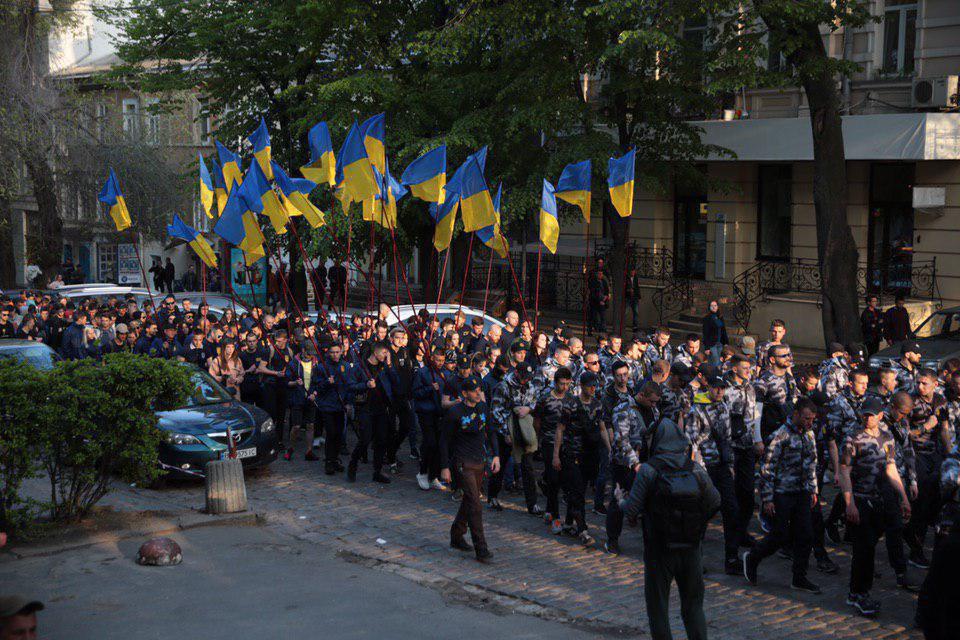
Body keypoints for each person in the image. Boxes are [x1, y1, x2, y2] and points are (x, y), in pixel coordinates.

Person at [618, 418, 720, 640]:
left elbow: (631, 510)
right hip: (691, 547)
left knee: (658, 608)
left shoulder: (648, 470)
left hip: (659, 549)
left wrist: (620, 500)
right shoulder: (694, 468)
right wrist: (697, 523)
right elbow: (715, 501)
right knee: (693, 606)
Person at [838, 396, 911, 618]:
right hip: (860, 500)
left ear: (880, 416)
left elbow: (891, 469)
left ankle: (855, 592)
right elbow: (844, 472)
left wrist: (903, 496)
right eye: (865, 414)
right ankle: (860, 593)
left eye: (871, 415)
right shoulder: (853, 438)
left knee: (869, 547)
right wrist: (849, 504)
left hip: (880, 500)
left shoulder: (887, 438)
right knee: (864, 550)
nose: (867, 418)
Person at [743, 397, 821, 594]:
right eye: (806, 418)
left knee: (806, 535)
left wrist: (813, 489)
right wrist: (767, 498)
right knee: (780, 535)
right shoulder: (780, 435)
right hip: (782, 493)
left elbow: (812, 463)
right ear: (795, 414)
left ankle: (799, 577)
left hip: (802, 491)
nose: (809, 422)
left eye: (812, 419)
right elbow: (767, 468)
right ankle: (753, 557)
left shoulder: (809, 434)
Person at [440, 375, 499, 564]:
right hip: (462, 463)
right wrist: (444, 467)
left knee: (469, 500)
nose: (478, 393)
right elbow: (444, 441)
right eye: (474, 391)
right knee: (475, 504)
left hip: (479, 461)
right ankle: (481, 549)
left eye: (479, 390)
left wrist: (496, 455)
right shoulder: (455, 413)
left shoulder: (483, 408)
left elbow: (491, 431)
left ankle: (456, 535)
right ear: (465, 393)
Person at [701, 300, 729, 365]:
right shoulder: (707, 318)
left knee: (719, 361)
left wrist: (726, 342)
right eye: (712, 306)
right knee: (715, 361)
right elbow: (705, 333)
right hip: (711, 344)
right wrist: (707, 347)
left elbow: (723, 330)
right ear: (709, 307)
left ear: (717, 307)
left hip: (720, 343)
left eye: (715, 305)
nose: (713, 307)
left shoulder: (720, 317)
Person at [587, 267, 610, 335]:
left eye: (601, 274)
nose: (600, 275)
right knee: (593, 317)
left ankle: (603, 330)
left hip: (602, 301)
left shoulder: (604, 282)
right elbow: (593, 293)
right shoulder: (593, 282)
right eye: (599, 274)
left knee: (603, 317)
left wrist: (605, 298)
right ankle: (591, 330)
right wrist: (599, 300)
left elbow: (606, 291)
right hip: (594, 302)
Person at [624, 267, 641, 332]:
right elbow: (625, 287)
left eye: (633, 272)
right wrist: (628, 290)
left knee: (636, 312)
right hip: (628, 297)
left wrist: (639, 296)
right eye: (632, 272)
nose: (633, 273)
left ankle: (635, 326)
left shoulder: (636, 278)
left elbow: (637, 287)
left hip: (635, 297)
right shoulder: (627, 278)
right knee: (625, 312)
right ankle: (623, 325)